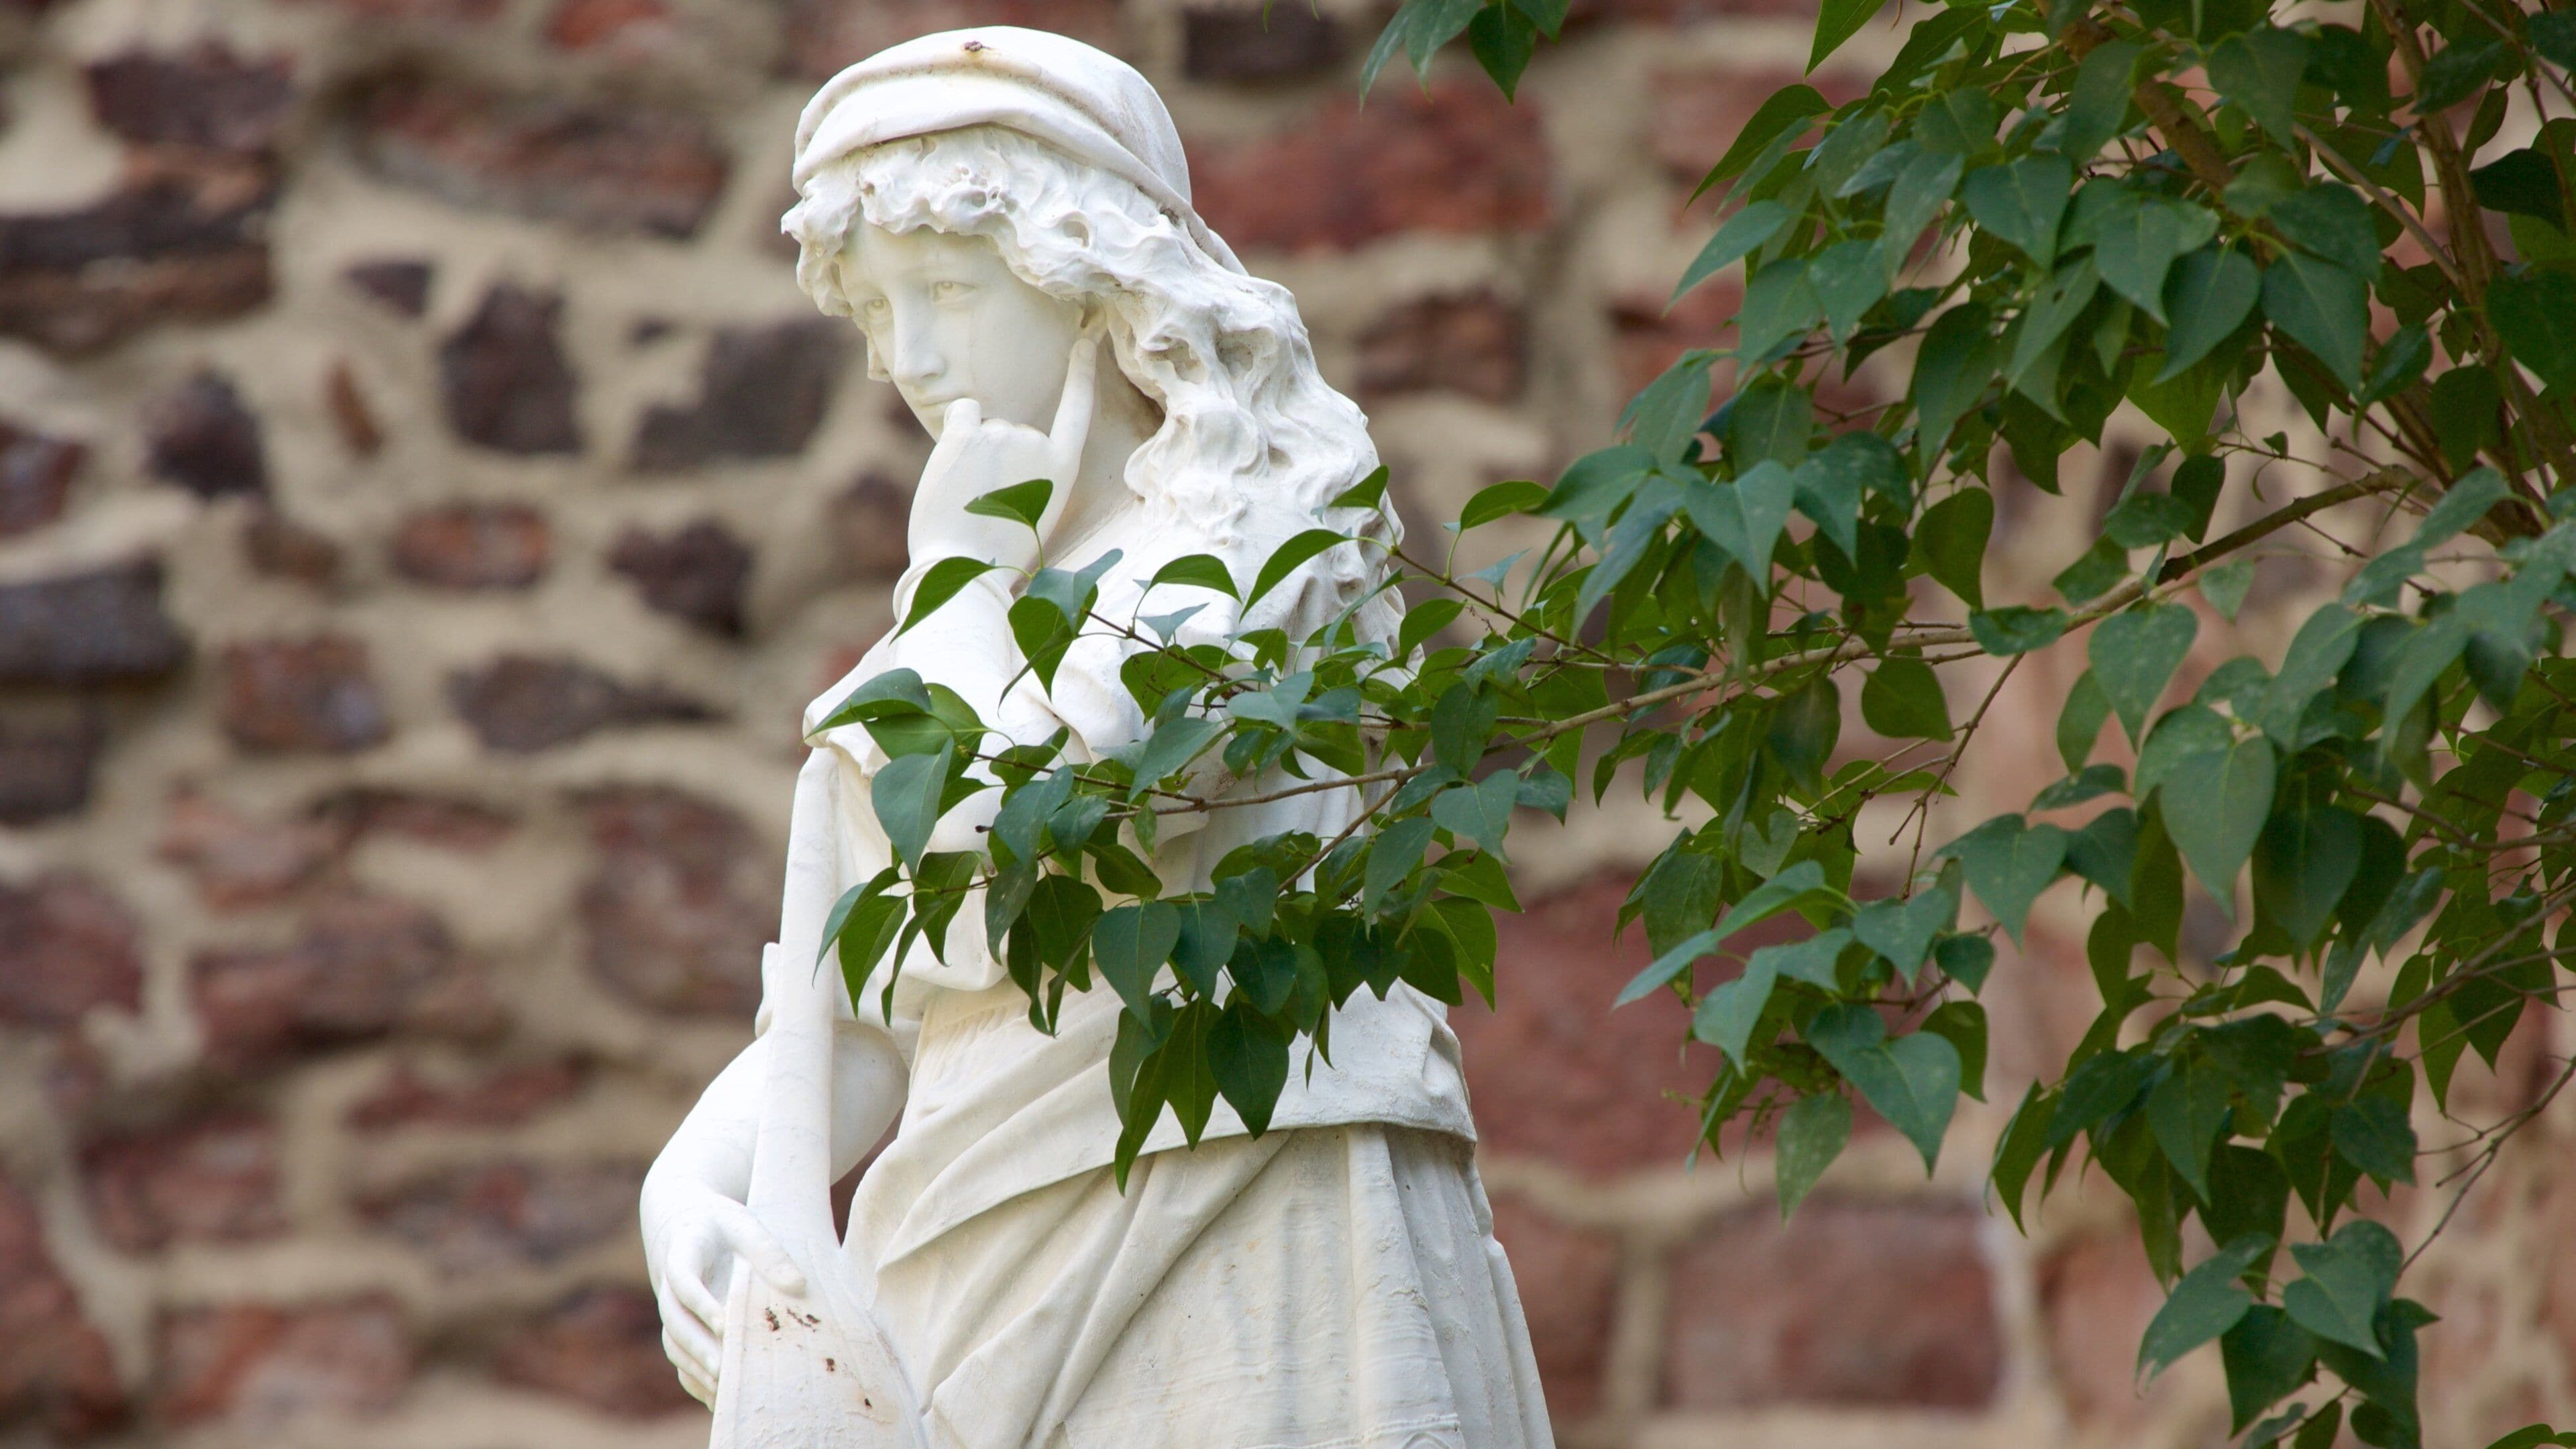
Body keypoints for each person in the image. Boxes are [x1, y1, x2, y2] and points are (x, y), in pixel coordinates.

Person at [639, 27, 1554, 1449]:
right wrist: (697, 1176)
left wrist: (952, 583)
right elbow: (879, 996)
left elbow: (1069, 822)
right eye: (880, 315)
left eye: (948, 289)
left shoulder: (1260, 520)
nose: (916, 359)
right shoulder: (963, 608)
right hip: (967, 1248)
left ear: (1093, 284)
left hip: (1250, 1195)